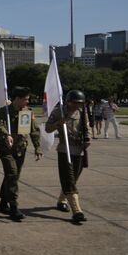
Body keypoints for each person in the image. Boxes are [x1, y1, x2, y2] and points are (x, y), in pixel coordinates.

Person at [0, 86, 42, 221]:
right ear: (17, 99)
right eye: (25, 99)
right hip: (6, 149)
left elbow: (34, 131)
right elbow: (0, 125)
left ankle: (3, 203)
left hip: (21, 149)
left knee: (12, 177)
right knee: (12, 174)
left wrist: (37, 148)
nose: (27, 102)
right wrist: (6, 135)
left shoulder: (27, 112)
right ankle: (14, 207)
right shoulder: (4, 111)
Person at [45, 90, 91, 223]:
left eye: (80, 103)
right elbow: (48, 128)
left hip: (79, 150)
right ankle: (77, 211)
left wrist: (87, 138)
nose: (78, 106)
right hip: (65, 149)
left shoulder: (82, 113)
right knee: (69, 179)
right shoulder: (59, 112)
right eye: (75, 103)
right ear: (69, 101)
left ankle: (62, 200)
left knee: (72, 179)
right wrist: (58, 123)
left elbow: (86, 127)